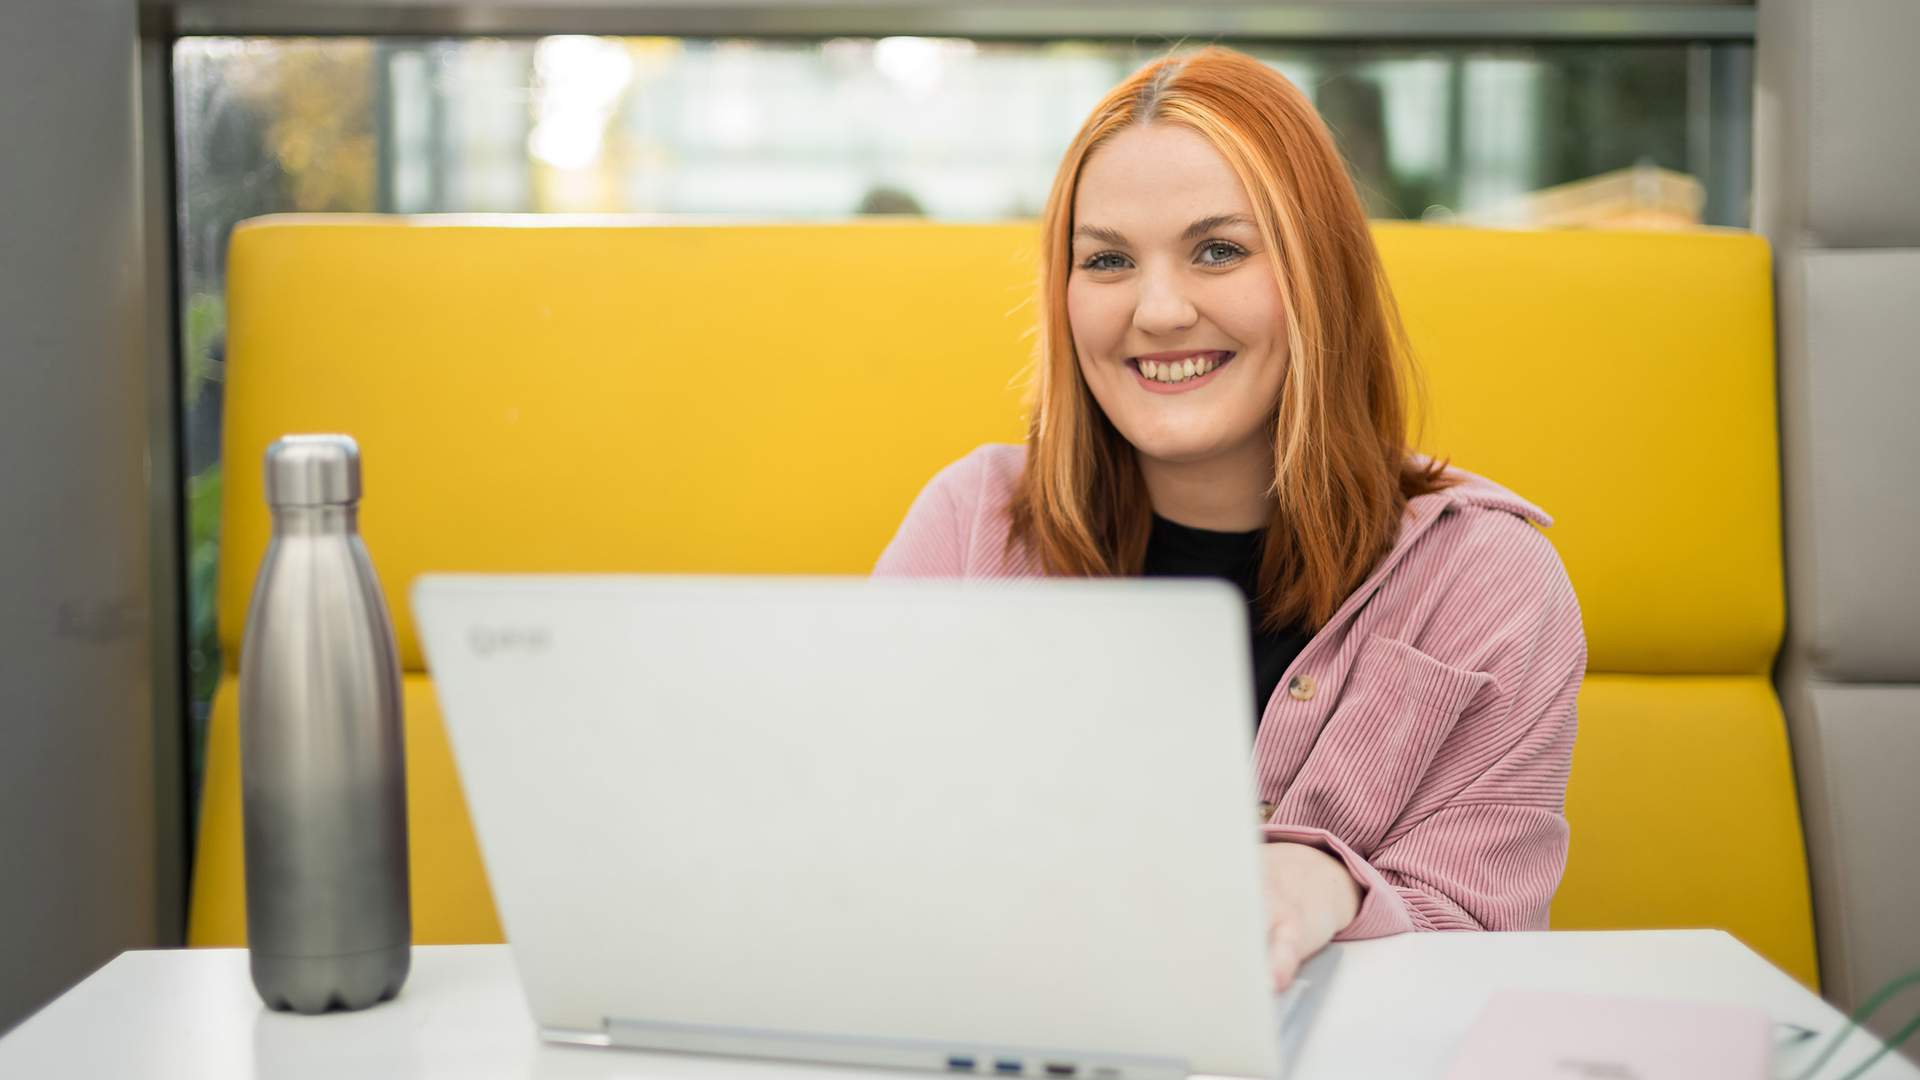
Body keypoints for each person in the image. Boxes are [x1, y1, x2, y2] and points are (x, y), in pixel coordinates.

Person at [873, 47, 1586, 990]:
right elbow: (863, 854)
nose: (1159, 309)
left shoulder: (1489, 583)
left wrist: (1328, 883)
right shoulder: (972, 526)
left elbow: (1483, 936)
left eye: (1219, 250)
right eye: (1108, 260)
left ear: (1316, 278)